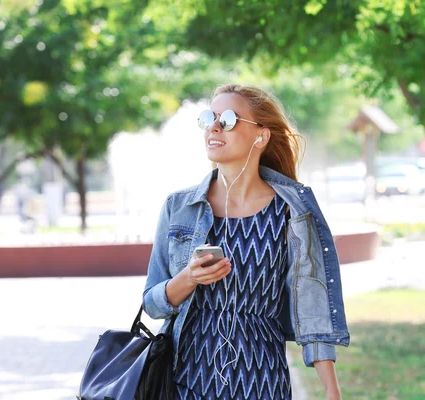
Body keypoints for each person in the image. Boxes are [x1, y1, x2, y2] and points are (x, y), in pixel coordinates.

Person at [142, 84, 350, 399]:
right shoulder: (179, 207)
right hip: (185, 378)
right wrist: (188, 278)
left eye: (227, 119)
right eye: (208, 118)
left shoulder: (290, 212)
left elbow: (313, 305)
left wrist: (331, 389)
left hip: (262, 379)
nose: (213, 127)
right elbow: (152, 302)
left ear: (261, 135)